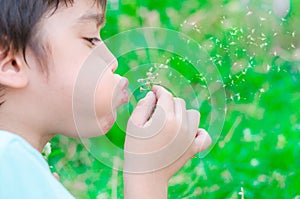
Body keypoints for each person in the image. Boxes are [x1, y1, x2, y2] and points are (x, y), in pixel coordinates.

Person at [0, 0, 212, 198]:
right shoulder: (7, 160)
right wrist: (148, 179)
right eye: (91, 39)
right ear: (11, 63)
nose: (112, 60)